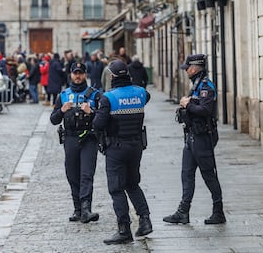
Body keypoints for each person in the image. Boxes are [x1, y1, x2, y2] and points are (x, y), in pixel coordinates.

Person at [93, 59, 152, 245]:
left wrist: (95, 111)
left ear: (112, 76)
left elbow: (98, 124)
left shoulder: (108, 97)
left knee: (116, 188)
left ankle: (124, 229)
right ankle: (145, 220)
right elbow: (147, 97)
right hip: (136, 146)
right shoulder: (141, 93)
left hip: (116, 147)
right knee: (133, 184)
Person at [163, 54, 225, 225]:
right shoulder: (196, 85)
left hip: (202, 137)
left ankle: (218, 211)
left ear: (195, 68)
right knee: (186, 173)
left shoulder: (206, 86)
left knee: (208, 175)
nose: (186, 71)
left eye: (187, 68)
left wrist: (187, 105)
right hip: (191, 136)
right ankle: (183, 212)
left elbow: (205, 110)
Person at [50, 62, 101, 224]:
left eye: (80, 73)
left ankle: (86, 209)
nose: (78, 76)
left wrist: (91, 112)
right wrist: (62, 111)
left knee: (86, 174)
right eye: (75, 73)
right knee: (72, 174)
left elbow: (103, 119)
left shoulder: (95, 95)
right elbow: (53, 119)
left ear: (85, 74)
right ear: (71, 75)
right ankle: (77, 209)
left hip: (89, 139)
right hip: (70, 139)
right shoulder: (64, 95)